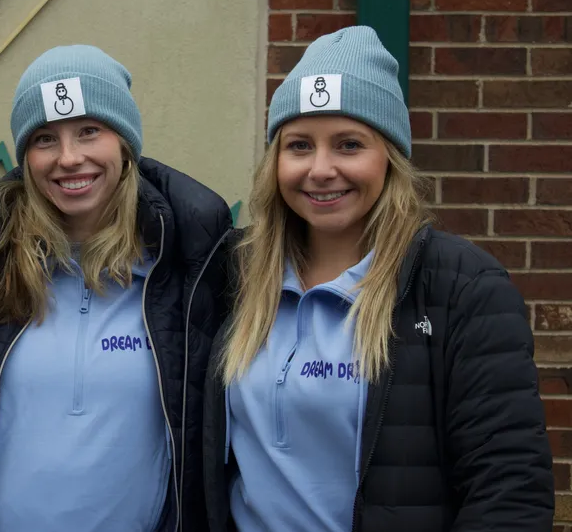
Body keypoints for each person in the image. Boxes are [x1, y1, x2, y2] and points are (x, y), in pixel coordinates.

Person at [202, 26, 554, 532]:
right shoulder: (236, 273)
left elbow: (509, 490)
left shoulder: (462, 287)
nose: (320, 169)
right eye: (299, 146)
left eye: (349, 145)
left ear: (389, 157)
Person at [0, 45, 233, 532]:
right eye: (45, 139)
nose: (69, 158)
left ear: (125, 144)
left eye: (89, 131)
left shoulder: (187, 272)